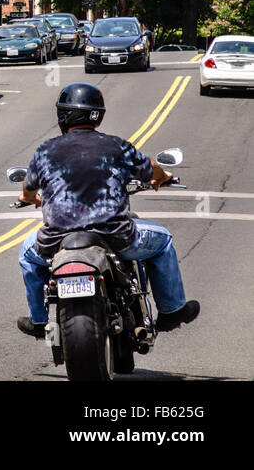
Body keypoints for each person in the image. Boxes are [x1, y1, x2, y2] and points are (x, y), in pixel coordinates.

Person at [15, 82, 200, 339]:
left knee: (27, 255)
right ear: (98, 114)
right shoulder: (115, 146)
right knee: (164, 240)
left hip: (56, 240)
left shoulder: (45, 151)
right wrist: (164, 177)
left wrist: (29, 198)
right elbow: (152, 167)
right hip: (115, 235)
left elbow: (28, 186)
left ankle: (38, 321)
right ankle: (171, 311)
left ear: (63, 114)